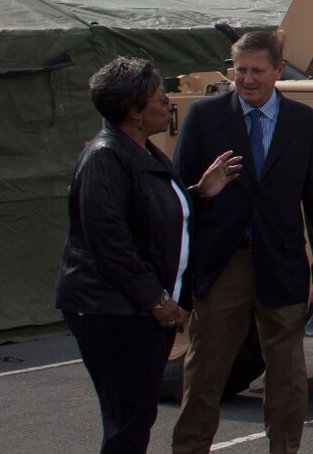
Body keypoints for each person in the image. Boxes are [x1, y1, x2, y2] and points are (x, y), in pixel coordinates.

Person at [54, 57, 242, 454]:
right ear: (135, 113)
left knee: (136, 417)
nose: (168, 104)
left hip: (135, 309)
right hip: (114, 311)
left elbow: (150, 217)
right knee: (128, 421)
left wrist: (199, 195)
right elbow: (109, 242)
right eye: (160, 99)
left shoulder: (142, 152)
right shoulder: (107, 157)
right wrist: (155, 300)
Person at [172, 31, 313, 454]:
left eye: (256, 71)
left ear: (278, 71)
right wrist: (201, 190)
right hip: (223, 264)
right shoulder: (205, 117)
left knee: (286, 375)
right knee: (206, 371)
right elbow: (177, 200)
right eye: (239, 70)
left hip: (281, 265)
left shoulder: (306, 123)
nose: (246, 80)